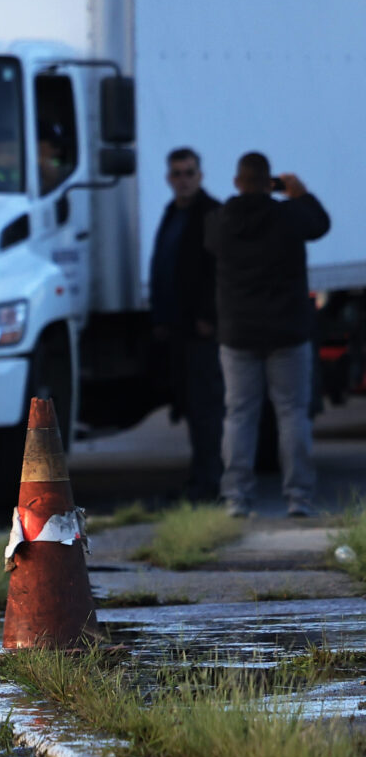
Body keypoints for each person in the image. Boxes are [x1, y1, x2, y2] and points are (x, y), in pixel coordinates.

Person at [206, 150, 332, 517]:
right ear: (269, 183)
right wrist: (299, 194)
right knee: (292, 413)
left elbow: (212, 235)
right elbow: (320, 224)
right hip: (288, 332)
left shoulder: (220, 222)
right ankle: (299, 497)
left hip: (238, 334)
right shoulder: (289, 217)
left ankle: (237, 499)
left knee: (239, 415)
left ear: (236, 183)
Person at [148, 147, 223, 500]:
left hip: (201, 332)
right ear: (168, 178)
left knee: (206, 408)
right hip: (178, 329)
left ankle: (209, 482)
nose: (183, 180)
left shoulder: (210, 214)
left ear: (200, 175)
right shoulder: (172, 213)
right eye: (177, 173)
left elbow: (220, 271)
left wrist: (209, 316)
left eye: (189, 172)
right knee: (192, 407)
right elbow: (164, 266)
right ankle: (200, 477)